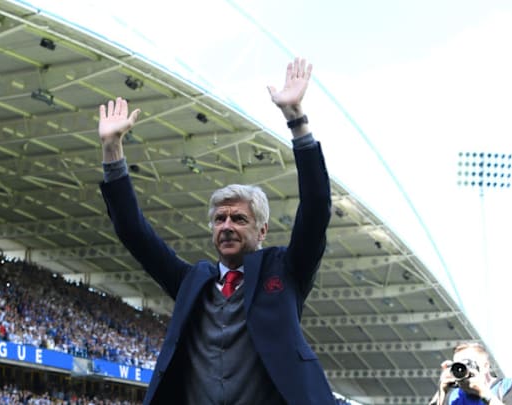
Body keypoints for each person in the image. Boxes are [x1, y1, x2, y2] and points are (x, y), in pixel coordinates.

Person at [97, 58, 336, 405]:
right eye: (220, 219)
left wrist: (296, 120)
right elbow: (134, 233)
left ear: (262, 229)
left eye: (239, 219)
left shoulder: (286, 270)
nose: (226, 226)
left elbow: (316, 207)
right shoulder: (193, 282)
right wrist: (111, 150)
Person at [430, 342, 512, 405]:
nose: (463, 370)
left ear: (486, 366)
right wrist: (441, 393)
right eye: (458, 366)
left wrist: (484, 393)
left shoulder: (507, 387)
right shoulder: (454, 396)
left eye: (468, 364)